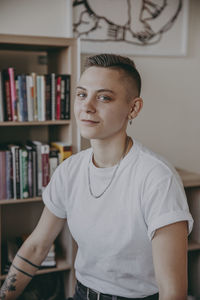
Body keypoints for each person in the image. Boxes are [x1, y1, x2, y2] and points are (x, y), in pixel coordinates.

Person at [0, 53, 193, 300]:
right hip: (81, 294)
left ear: (133, 108)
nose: (87, 107)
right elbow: (37, 246)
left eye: (103, 97)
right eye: (82, 95)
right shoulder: (69, 170)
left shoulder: (157, 177)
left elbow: (173, 292)